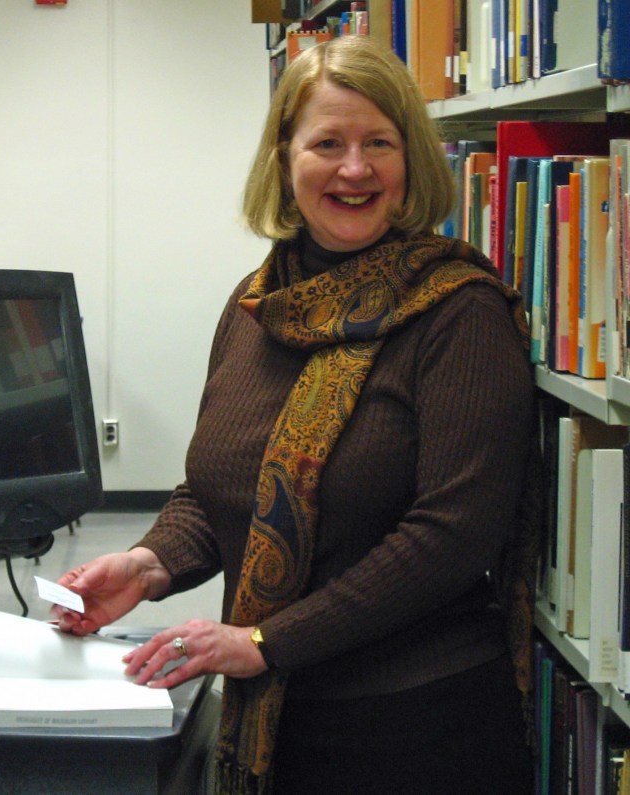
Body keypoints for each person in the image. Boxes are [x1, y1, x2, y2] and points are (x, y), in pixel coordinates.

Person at [52, 34, 539, 795]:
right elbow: (220, 485)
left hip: (414, 731)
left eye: (379, 142)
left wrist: (265, 639)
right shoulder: (256, 306)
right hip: (279, 713)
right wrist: (148, 565)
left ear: (410, 159)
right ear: (284, 160)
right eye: (328, 142)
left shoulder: (459, 313)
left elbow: (452, 537)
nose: (354, 168)